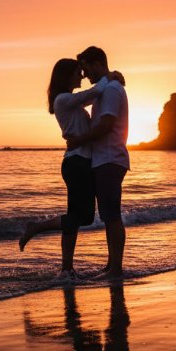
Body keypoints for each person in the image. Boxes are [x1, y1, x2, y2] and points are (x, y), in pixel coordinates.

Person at [19, 59, 124, 280]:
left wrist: (110, 79)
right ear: (67, 75)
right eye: (78, 72)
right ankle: (36, 227)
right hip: (77, 163)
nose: (82, 76)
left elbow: (94, 96)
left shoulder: (70, 102)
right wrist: (110, 76)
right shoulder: (63, 99)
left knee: (75, 217)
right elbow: (93, 92)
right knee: (82, 217)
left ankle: (67, 269)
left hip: (79, 162)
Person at [66, 46, 129, 280]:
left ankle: (116, 268)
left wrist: (78, 141)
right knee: (108, 214)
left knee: (111, 214)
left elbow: (106, 125)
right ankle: (112, 264)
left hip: (110, 158)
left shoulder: (111, 90)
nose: (84, 75)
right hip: (105, 159)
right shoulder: (107, 88)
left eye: (86, 68)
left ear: (97, 64)